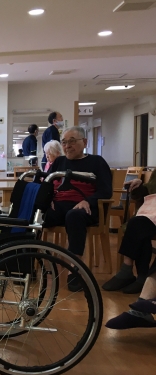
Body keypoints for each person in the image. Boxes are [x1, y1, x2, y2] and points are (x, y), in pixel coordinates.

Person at [43, 126, 112, 291]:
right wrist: (47, 199)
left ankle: (74, 269)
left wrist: (88, 200)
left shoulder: (97, 161)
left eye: (72, 142)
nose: (67, 146)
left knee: (74, 216)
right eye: (64, 142)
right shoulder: (59, 161)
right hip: (59, 205)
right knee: (36, 214)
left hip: (85, 208)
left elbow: (106, 191)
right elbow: (46, 183)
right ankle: (26, 260)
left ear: (85, 142)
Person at [103, 172, 156, 295]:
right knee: (136, 224)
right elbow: (149, 190)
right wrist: (140, 185)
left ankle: (130, 272)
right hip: (152, 213)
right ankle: (137, 275)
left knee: (139, 226)